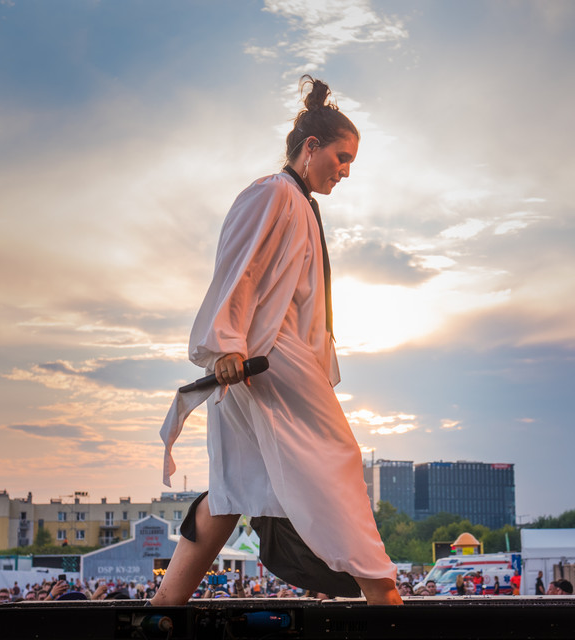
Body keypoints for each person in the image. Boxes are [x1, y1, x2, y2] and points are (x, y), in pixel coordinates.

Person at [155, 75, 401, 606]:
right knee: (339, 460)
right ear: (310, 147)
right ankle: (385, 599)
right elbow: (238, 268)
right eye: (341, 156)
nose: (346, 171)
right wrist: (225, 346)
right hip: (265, 360)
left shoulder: (296, 202)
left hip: (259, 361)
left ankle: (163, 609)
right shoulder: (273, 193)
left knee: (231, 490)